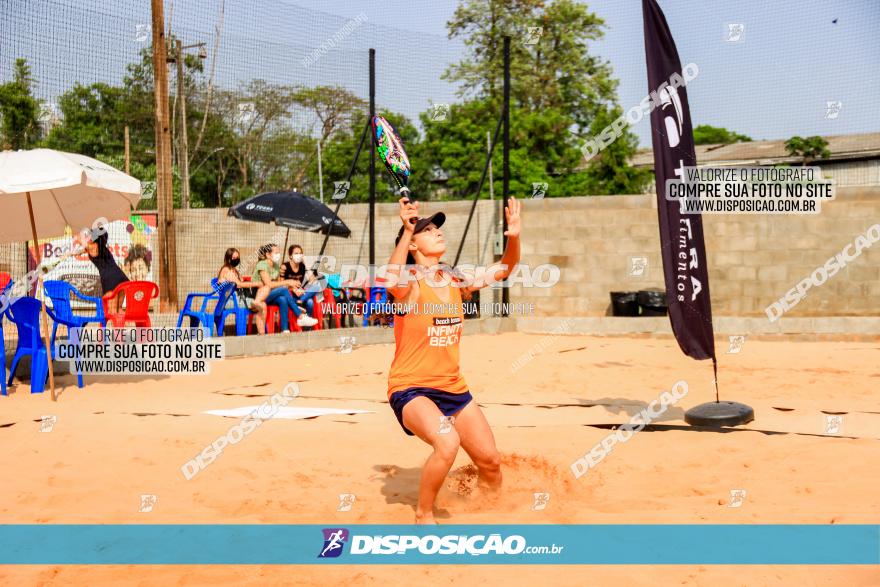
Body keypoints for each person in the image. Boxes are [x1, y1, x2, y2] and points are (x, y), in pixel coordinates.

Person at [385, 196, 522, 524]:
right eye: (427, 230)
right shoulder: (412, 284)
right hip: (411, 388)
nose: (436, 232)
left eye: (437, 228)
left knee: (490, 463)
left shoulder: (455, 280)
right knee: (447, 442)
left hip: (452, 387)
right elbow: (390, 281)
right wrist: (406, 231)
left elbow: (505, 269)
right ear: (414, 247)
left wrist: (514, 236)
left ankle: (486, 510)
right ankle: (424, 514)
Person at [253, 243, 319, 331]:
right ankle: (300, 316)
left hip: (271, 294)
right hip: (259, 296)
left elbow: (278, 284)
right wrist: (289, 283)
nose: (278, 255)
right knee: (283, 289)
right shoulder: (262, 265)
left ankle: (285, 330)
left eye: (278, 252)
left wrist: (296, 287)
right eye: (276, 252)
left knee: (283, 299)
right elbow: (269, 284)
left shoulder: (276, 266)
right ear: (268, 255)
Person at [217, 247, 268, 335]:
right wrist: (257, 284)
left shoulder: (234, 270)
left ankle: (262, 334)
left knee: (263, 304)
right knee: (260, 305)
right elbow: (239, 284)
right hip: (229, 301)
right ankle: (261, 333)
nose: (236, 260)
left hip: (238, 299)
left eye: (238, 258)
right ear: (228, 258)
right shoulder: (226, 270)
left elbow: (241, 281)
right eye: (234, 258)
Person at [280, 244, 323, 316]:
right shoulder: (284, 266)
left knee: (317, 285)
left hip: (301, 292)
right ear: (290, 256)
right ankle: (301, 303)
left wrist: (306, 263)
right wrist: (292, 289)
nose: (299, 255)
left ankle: (300, 301)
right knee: (310, 301)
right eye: (296, 253)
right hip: (290, 294)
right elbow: (281, 284)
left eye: (300, 253)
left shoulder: (302, 266)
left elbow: (312, 280)